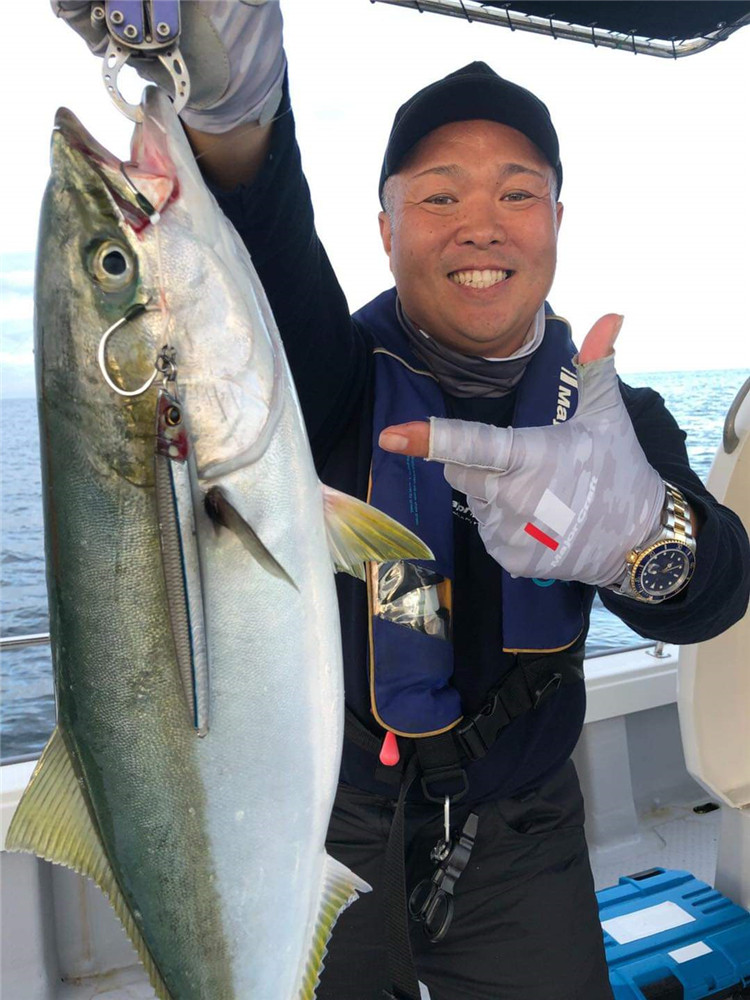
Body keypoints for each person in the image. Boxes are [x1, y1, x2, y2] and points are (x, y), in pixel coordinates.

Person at [53, 3, 750, 999]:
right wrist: (235, 115)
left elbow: (714, 593)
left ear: (557, 221)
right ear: (385, 230)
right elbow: (263, 242)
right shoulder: (322, 384)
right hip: (318, 818)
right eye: (439, 195)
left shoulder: (610, 421)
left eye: (519, 192)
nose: (481, 223)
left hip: (523, 831)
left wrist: (648, 541)